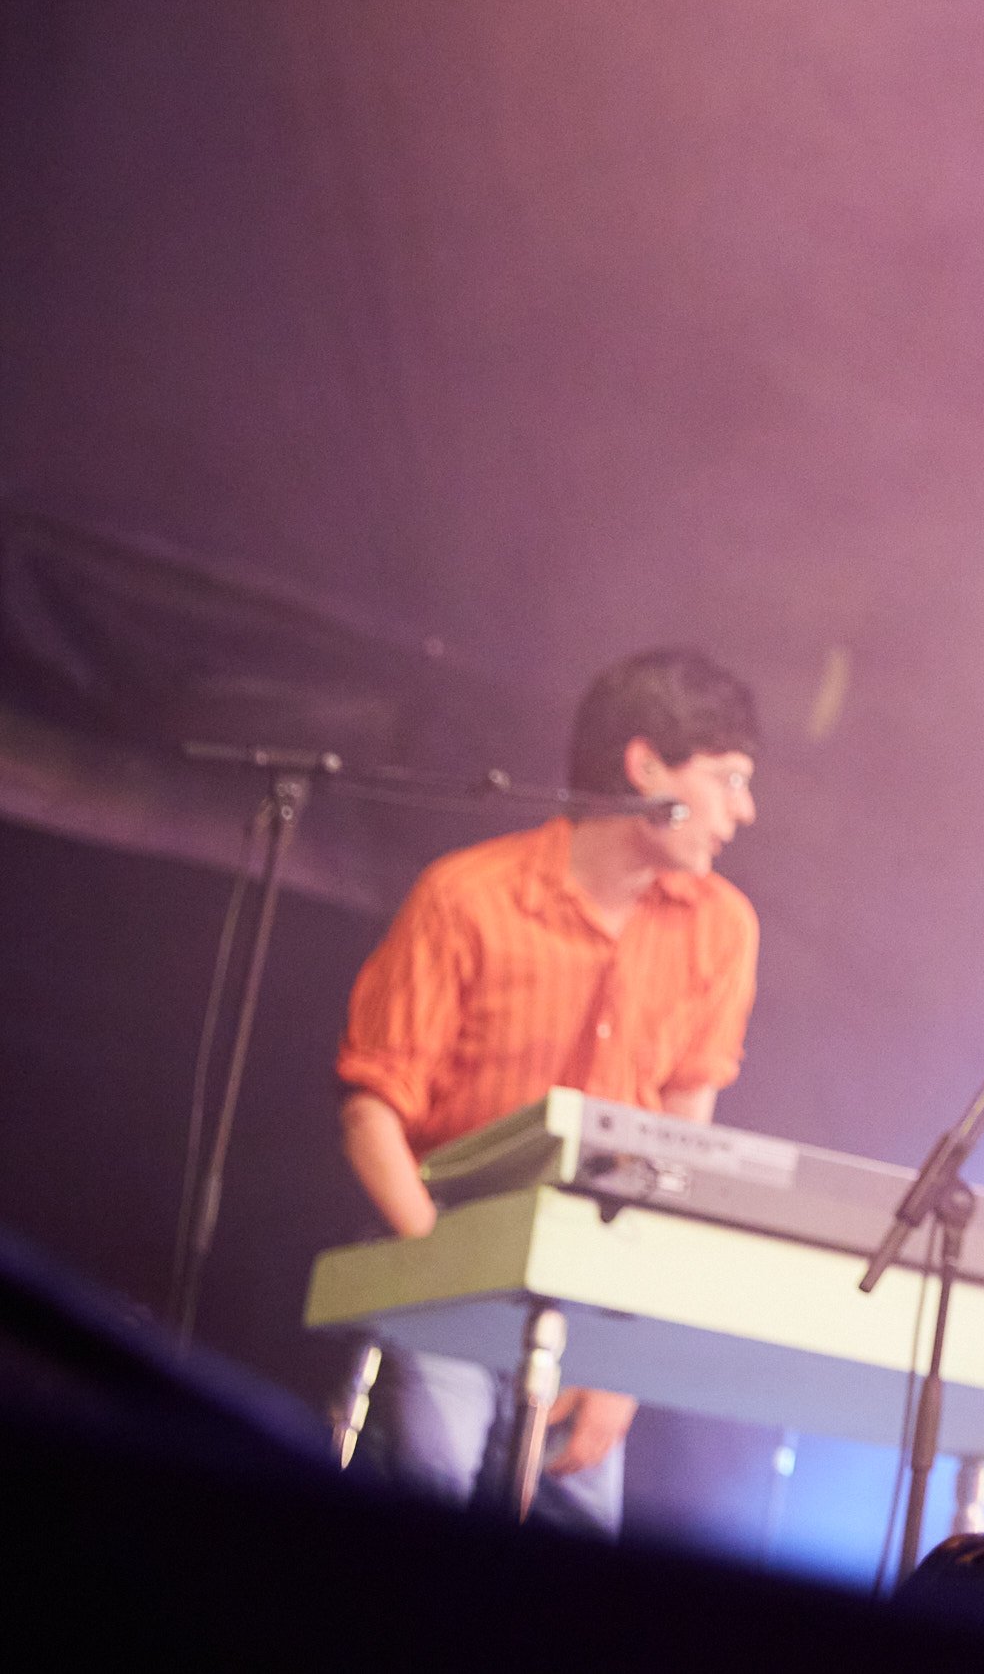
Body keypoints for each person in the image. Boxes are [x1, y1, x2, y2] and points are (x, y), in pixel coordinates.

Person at [332, 647, 763, 1533]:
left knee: (573, 1548)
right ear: (647, 770)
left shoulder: (724, 926)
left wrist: (624, 1363)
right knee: (429, 1496)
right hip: (441, 1254)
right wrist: (447, 1273)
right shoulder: (468, 894)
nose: (743, 811)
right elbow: (375, 1109)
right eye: (727, 779)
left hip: (596, 1294)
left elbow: (683, 1147)